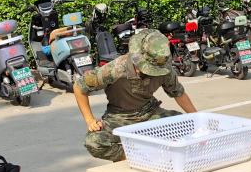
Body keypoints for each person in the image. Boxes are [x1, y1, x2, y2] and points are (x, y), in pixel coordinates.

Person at [73, 29, 198, 161]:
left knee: (187, 126)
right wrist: (90, 120)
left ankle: (156, 152)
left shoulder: (164, 69)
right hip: (119, 117)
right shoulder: (115, 69)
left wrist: (197, 119)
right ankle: (139, 157)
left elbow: (178, 93)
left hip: (150, 113)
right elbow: (79, 87)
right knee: (94, 142)